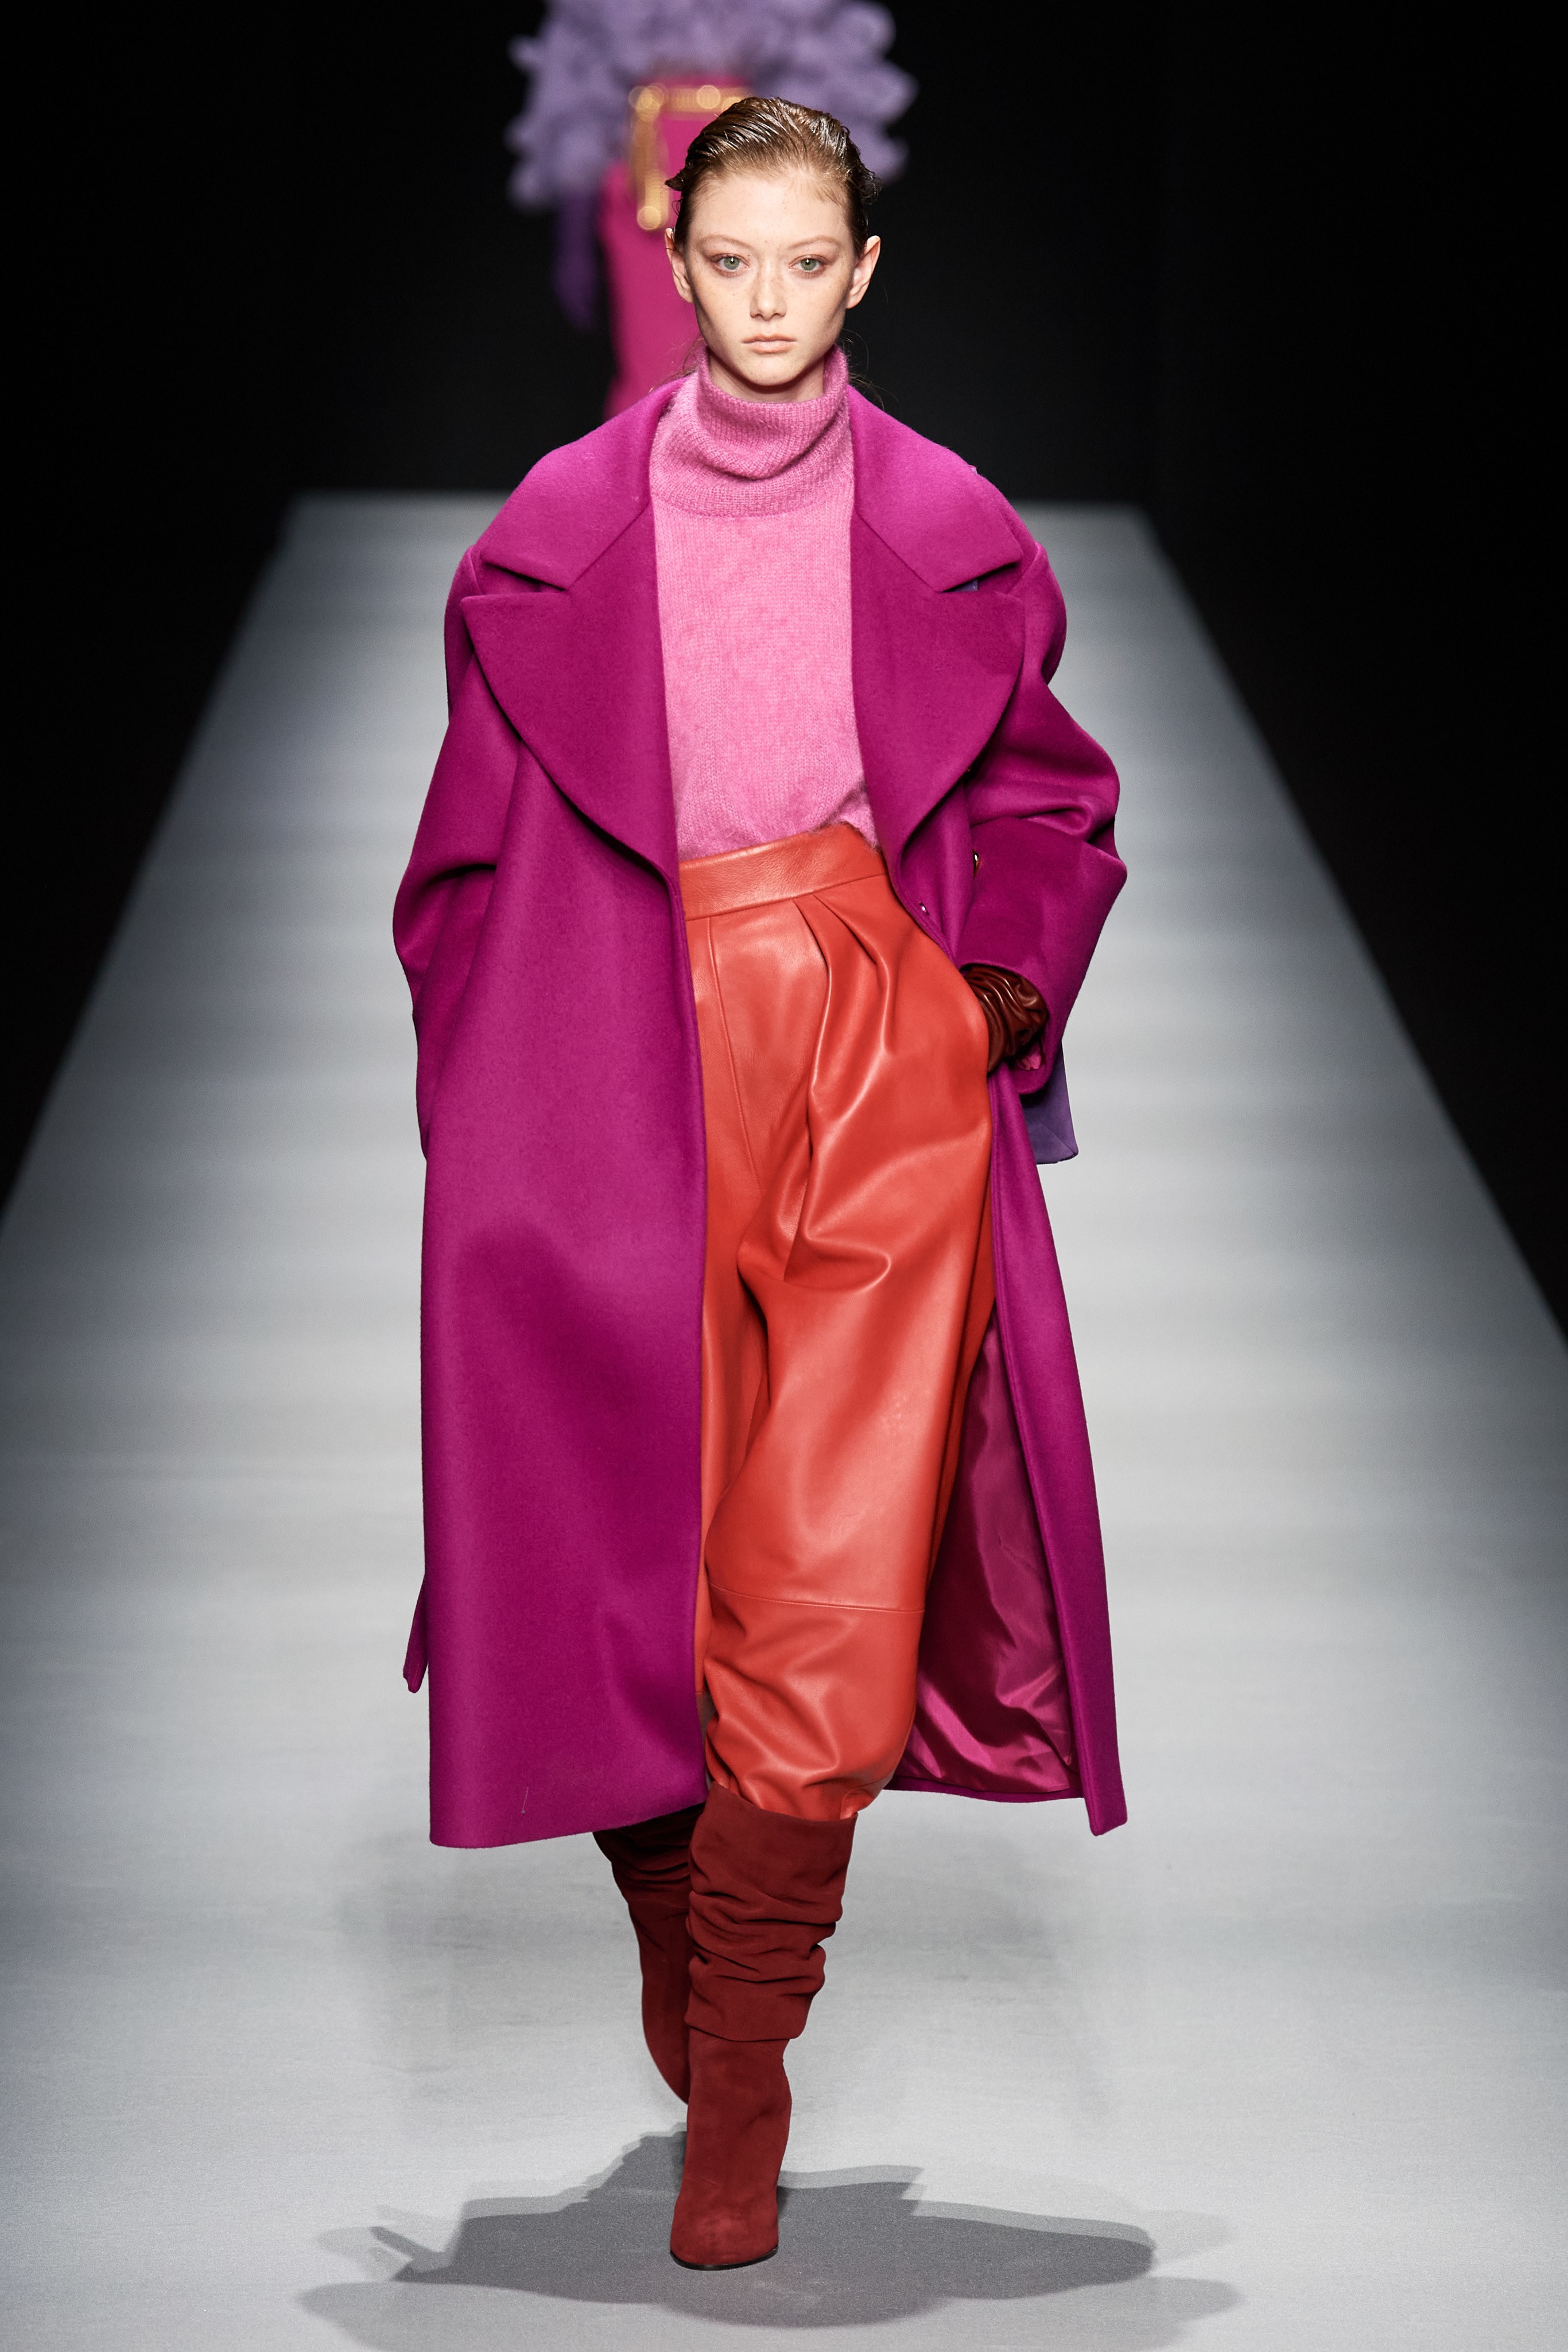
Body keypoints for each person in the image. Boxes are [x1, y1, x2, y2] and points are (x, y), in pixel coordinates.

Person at [394, 95, 1126, 2273]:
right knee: (611, 1547)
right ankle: (677, 1904)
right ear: (675, 256)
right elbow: (458, 859)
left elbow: (1046, 795)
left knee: (831, 1583)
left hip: (869, 1035)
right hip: (607, 1038)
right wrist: (484, 1096)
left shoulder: (957, 529)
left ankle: (741, 2062)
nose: (774, 302)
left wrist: (986, 999)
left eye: (812, 263)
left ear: (863, 270)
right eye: (735, 262)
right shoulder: (544, 537)